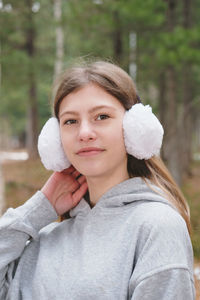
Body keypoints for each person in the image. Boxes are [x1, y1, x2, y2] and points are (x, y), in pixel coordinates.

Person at [0, 60, 195, 299]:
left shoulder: (156, 227)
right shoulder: (44, 236)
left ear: (133, 127)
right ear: (55, 138)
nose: (84, 133)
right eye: (70, 121)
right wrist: (39, 208)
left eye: (101, 116)